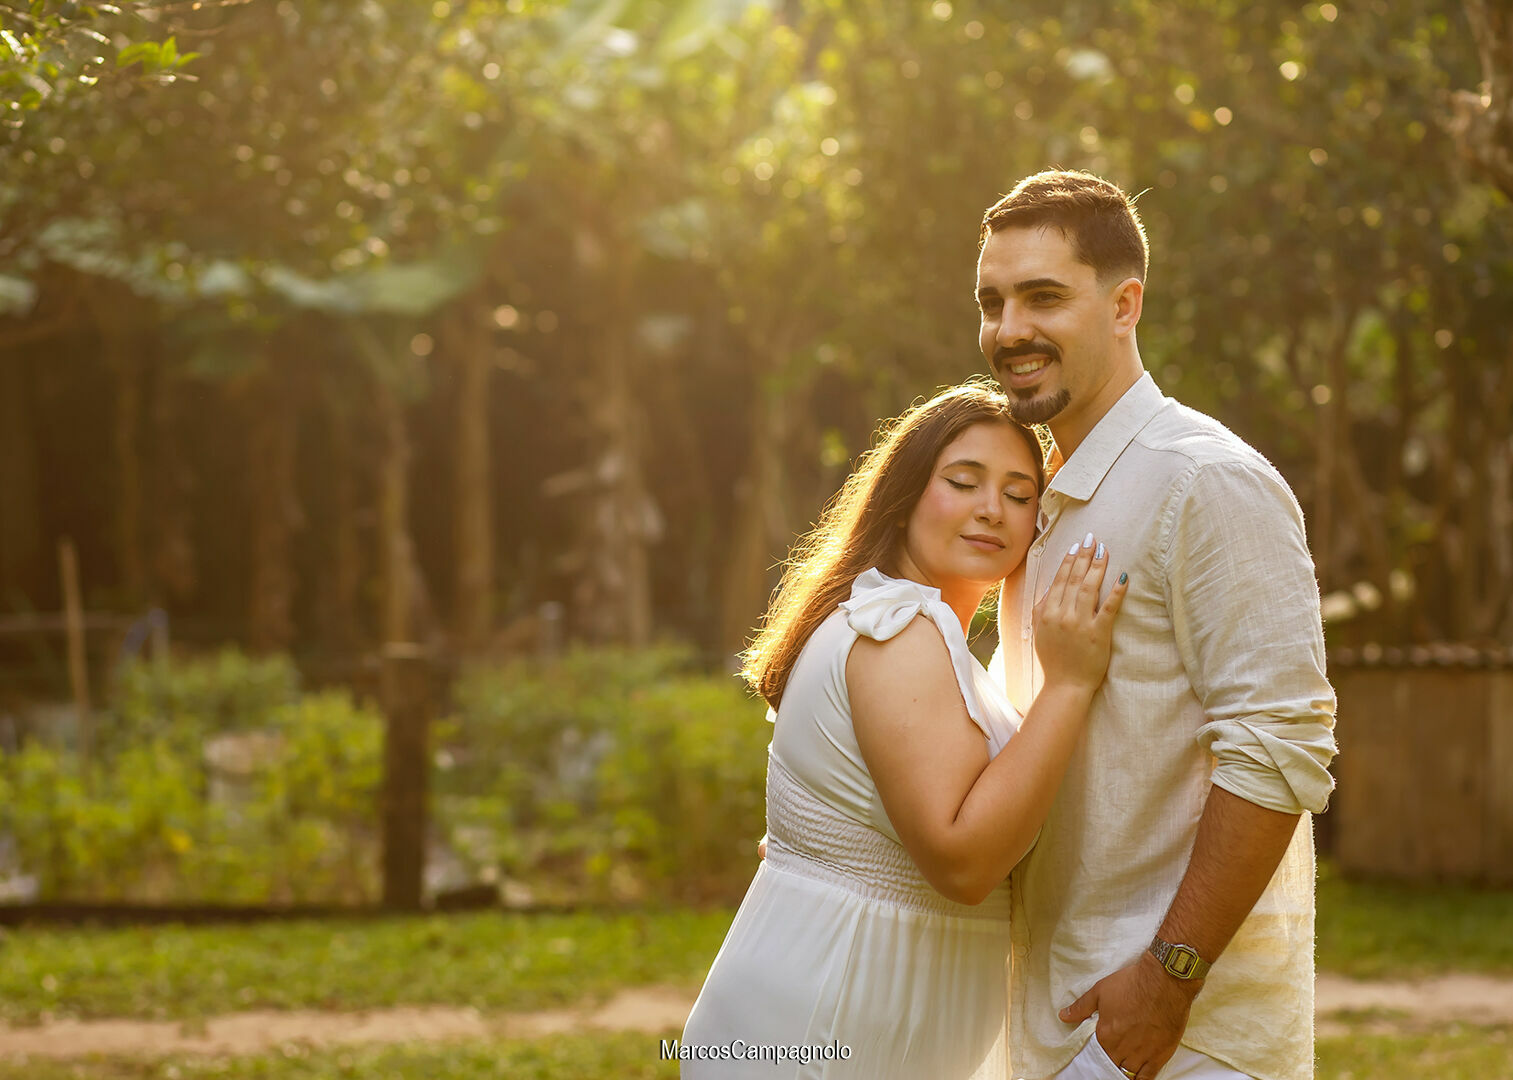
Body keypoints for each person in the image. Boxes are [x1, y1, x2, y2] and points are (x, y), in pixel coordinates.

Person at [975, 170, 1337, 1080]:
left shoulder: (1205, 480)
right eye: (991, 302)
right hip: (1056, 1015)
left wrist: (1169, 977)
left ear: (1123, 304)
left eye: (1042, 297)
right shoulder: (1039, 500)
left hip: (1181, 1035)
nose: (1008, 329)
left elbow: (1280, 746)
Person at [679, 382, 1127, 1078]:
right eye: (963, 482)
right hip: (823, 1029)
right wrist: (1068, 685)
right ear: (905, 494)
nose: (991, 508)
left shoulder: (915, 635)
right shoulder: (896, 629)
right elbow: (962, 862)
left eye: (1018, 495)